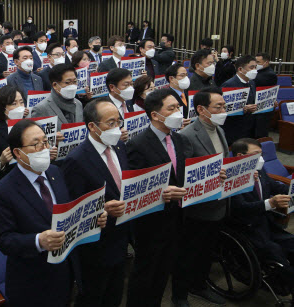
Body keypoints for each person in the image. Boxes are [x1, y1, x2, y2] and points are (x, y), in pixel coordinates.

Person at [0, 119, 106, 306]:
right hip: (33, 281)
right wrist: (38, 241)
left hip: (66, 271)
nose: (43, 149)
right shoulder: (4, 191)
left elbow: (68, 212)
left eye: (45, 142)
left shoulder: (55, 172)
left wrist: (92, 217)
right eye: (35, 144)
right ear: (18, 153)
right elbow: (4, 240)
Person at [125, 89, 192, 307]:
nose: (178, 112)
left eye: (178, 107)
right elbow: (133, 189)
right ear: (155, 115)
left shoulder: (179, 140)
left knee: (163, 271)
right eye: (171, 108)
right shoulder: (137, 145)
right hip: (150, 223)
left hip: (177, 217)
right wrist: (159, 194)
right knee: (145, 273)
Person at [62, 99, 129, 307]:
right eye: (110, 123)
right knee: (93, 297)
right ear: (92, 126)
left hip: (121, 236)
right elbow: (74, 209)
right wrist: (101, 210)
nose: (116, 128)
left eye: (119, 122)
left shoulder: (118, 146)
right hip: (95, 247)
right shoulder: (76, 160)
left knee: (115, 294)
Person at [173, 87, 229, 307]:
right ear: (201, 109)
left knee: (207, 250)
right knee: (188, 253)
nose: (223, 110)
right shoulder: (187, 136)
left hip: (219, 201)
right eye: (219, 107)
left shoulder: (220, 130)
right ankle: (180, 295)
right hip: (197, 208)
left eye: (224, 106)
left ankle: (200, 285)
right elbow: (182, 173)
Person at [230, 138, 294, 296]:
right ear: (240, 156)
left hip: (266, 223)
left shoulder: (260, 170)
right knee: (276, 251)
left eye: (261, 154)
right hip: (247, 228)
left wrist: (290, 190)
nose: (261, 158)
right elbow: (240, 208)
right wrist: (270, 203)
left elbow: (275, 185)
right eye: (256, 154)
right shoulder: (232, 178)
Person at [0, 85, 30, 196]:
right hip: (7, 188)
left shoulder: (28, 127)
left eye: (21, 102)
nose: (19, 107)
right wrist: (1, 161)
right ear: (2, 107)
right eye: (14, 104)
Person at [31, 63, 83, 130]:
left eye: (75, 81)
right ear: (55, 85)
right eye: (67, 82)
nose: (72, 86)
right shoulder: (41, 109)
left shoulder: (78, 104)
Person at [221, 55, 258, 145]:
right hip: (234, 128)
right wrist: (243, 108)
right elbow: (222, 108)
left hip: (249, 126)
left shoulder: (252, 83)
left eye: (255, 67)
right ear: (240, 69)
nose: (254, 70)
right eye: (251, 67)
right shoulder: (229, 85)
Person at [254, 52, 277, 138]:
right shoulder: (257, 71)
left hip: (264, 109)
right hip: (256, 107)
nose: (256, 64)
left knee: (260, 133)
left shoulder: (270, 74)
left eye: (258, 62)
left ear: (266, 62)